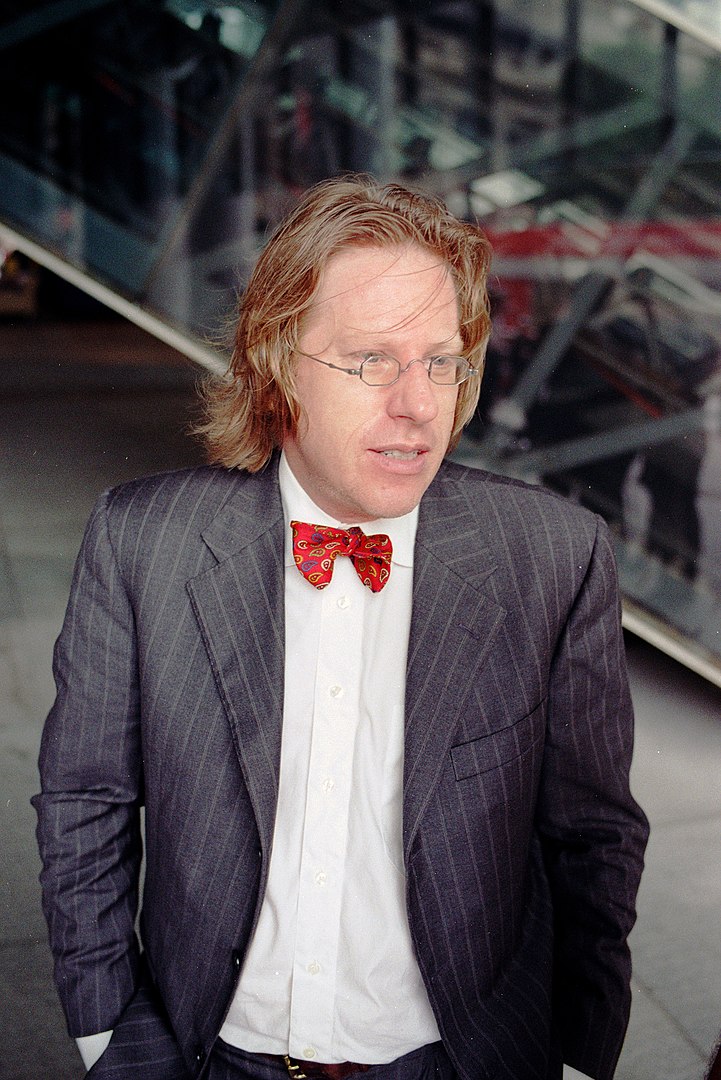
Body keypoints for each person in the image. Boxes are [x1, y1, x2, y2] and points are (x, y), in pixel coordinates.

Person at [33, 176, 648, 1080]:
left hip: (464, 1059)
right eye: (370, 360)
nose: (417, 403)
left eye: (441, 361)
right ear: (277, 361)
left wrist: (579, 1056)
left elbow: (595, 838)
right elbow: (84, 802)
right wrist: (108, 1036)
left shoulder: (554, 558)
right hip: (206, 1055)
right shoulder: (143, 541)